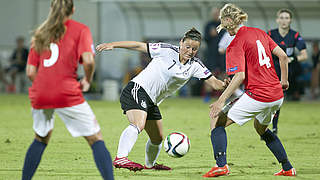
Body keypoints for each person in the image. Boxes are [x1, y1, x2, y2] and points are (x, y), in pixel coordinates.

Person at [96, 28, 227, 171]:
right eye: (187, 47)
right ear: (181, 42)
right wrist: (114, 44)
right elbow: (139, 46)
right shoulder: (166, 50)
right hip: (137, 89)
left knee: (157, 138)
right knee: (138, 124)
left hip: (152, 101)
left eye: (194, 49)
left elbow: (215, 83)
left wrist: (227, 84)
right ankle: (120, 158)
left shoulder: (195, 65)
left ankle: (150, 165)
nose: (190, 51)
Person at [22, 0, 114, 180]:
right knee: (95, 138)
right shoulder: (81, 29)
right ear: (73, 9)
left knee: (41, 138)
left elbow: (30, 71)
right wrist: (87, 79)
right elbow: (88, 60)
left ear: (51, 9)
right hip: (66, 92)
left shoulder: (40, 33)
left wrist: (45, 85)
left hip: (40, 93)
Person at [203, 4, 296, 177]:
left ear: (229, 21)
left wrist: (221, 101)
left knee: (216, 120)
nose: (225, 30)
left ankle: (221, 165)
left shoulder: (235, 43)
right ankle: (287, 168)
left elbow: (240, 76)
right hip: (276, 95)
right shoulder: (260, 32)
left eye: (224, 24)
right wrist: (284, 81)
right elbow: (283, 56)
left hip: (258, 95)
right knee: (261, 129)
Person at [267, 9, 307, 134]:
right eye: (282, 17)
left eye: (286, 18)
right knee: (268, 99)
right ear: (277, 20)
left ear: (290, 20)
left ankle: (273, 127)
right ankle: (269, 127)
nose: (284, 20)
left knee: (277, 98)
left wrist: (292, 59)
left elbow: (304, 55)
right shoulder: (270, 34)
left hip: (286, 70)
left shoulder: (294, 35)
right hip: (271, 70)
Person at [203, 7, 226, 102]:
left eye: (217, 13)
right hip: (211, 54)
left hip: (222, 54)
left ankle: (224, 96)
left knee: (223, 74)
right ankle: (207, 96)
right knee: (209, 74)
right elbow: (205, 38)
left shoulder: (224, 25)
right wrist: (210, 35)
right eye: (214, 13)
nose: (215, 14)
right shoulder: (208, 25)